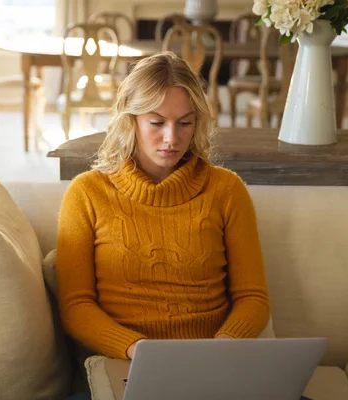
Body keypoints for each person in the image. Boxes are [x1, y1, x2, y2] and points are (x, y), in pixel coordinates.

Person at [57, 51, 271, 399]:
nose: (172, 138)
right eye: (156, 123)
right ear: (131, 121)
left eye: (184, 123)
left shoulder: (227, 190)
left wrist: (224, 345)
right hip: (128, 365)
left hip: (214, 366)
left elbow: (253, 297)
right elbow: (77, 307)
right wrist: (138, 349)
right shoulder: (87, 193)